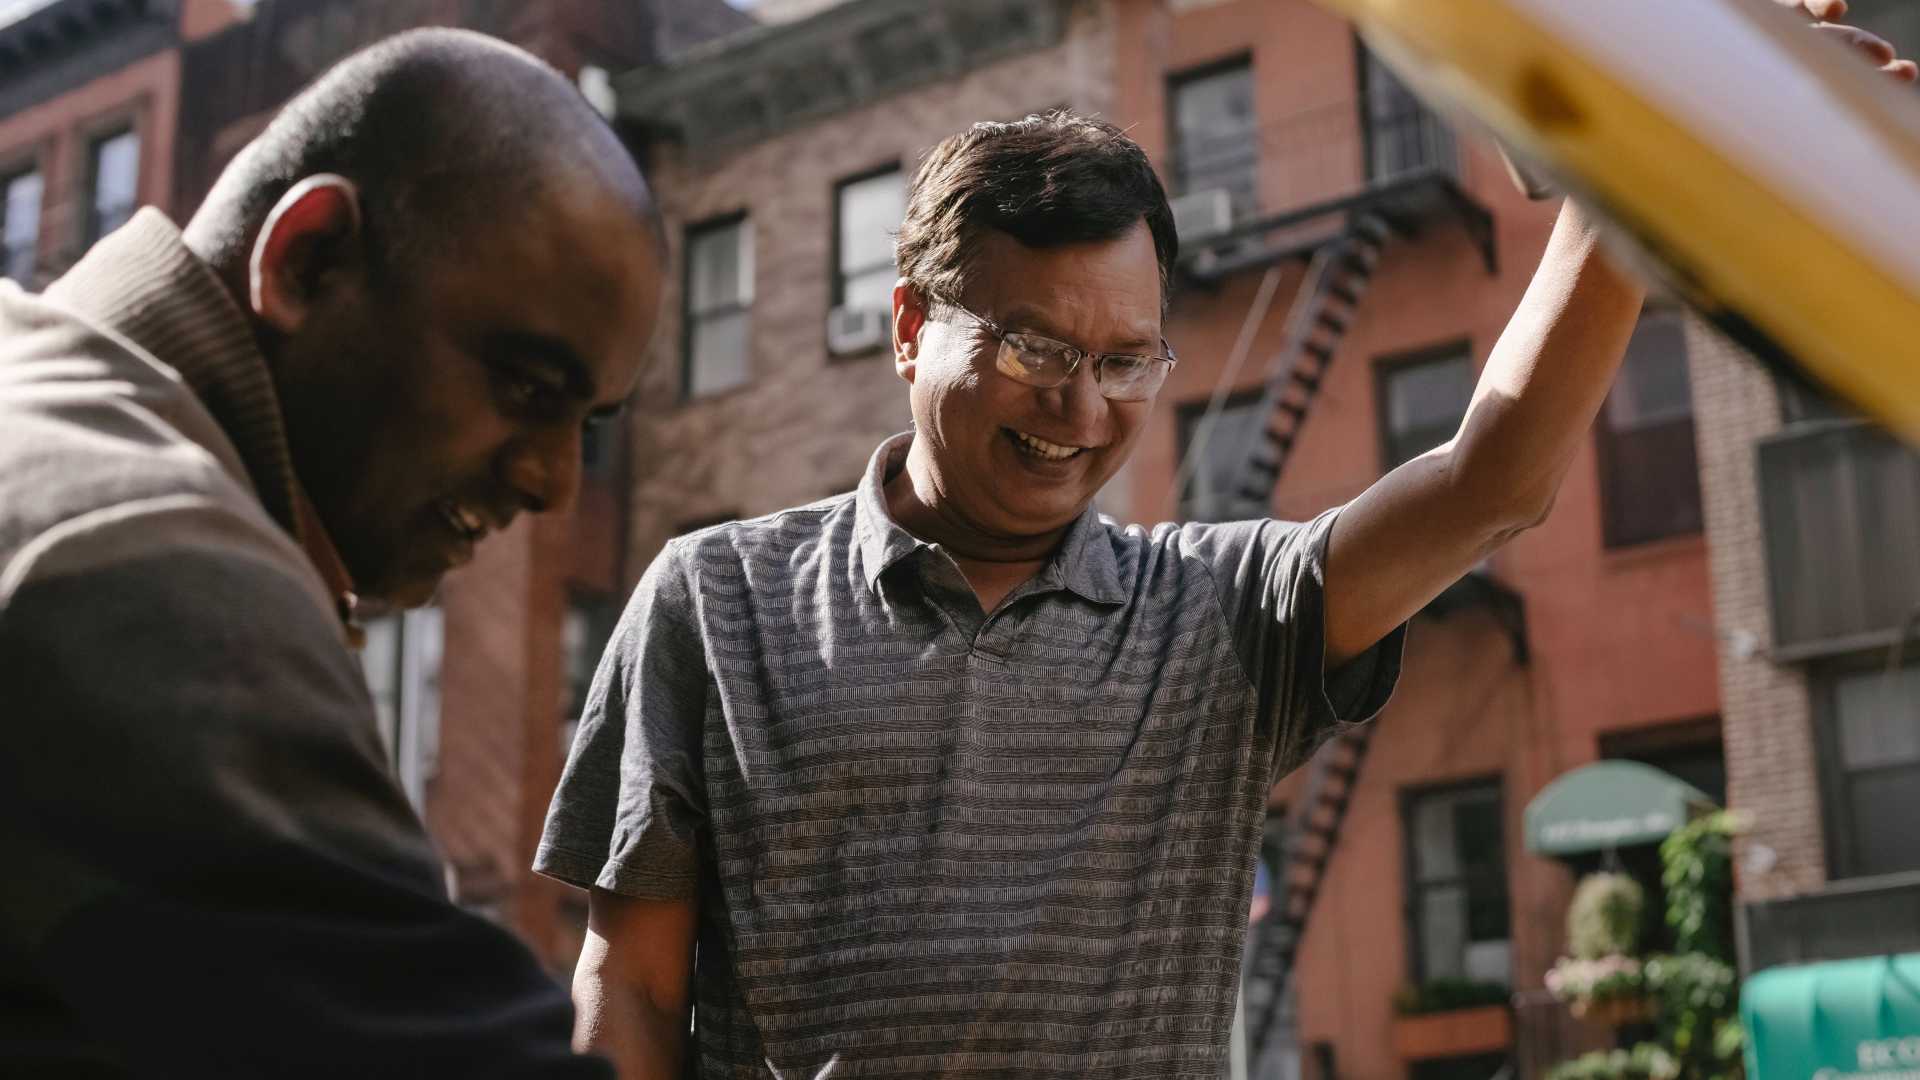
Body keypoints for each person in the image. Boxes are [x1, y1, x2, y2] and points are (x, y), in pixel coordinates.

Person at [538, 6, 1912, 1077]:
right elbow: (636, 990)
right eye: (1031, 347)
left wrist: (1654, 174)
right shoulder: (711, 603)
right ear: (910, 328)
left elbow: (1495, 479)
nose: (1083, 408)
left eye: (1129, 360)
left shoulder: (1215, 614)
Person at [0, 29, 661, 1076]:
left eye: (586, 426)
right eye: (526, 387)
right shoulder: (148, 551)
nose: (551, 485)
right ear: (307, 259)